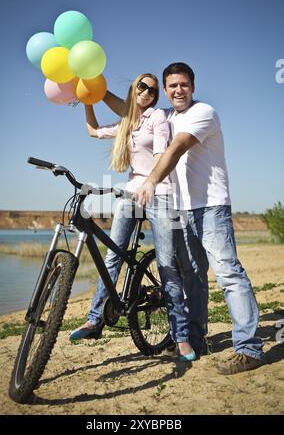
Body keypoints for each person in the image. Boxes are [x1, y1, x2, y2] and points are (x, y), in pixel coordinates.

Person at [135, 62, 266, 375]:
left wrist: (151, 180)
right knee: (192, 276)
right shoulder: (165, 116)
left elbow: (178, 147)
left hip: (210, 207)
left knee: (228, 273)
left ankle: (249, 348)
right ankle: (196, 338)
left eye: (184, 84)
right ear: (165, 91)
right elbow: (128, 108)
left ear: (192, 86)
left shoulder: (203, 112)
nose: (178, 90)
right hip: (182, 211)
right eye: (172, 86)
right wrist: (93, 94)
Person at [70, 73, 196, 361]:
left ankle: (182, 336)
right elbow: (92, 130)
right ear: (134, 88)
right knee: (113, 255)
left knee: (166, 264)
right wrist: (87, 99)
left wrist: (150, 184)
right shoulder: (127, 124)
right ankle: (94, 320)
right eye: (143, 86)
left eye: (153, 90)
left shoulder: (157, 118)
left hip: (159, 192)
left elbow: (163, 154)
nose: (148, 92)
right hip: (130, 193)